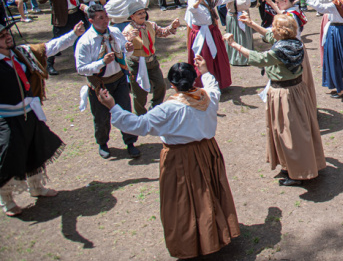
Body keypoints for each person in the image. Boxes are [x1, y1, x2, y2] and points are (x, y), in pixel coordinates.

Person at [95, 58, 240, 258]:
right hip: (207, 151)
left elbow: (138, 125)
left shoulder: (167, 109)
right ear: (194, 80)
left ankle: (193, 243)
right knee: (210, 192)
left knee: (184, 200)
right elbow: (213, 86)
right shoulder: (208, 97)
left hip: (180, 157)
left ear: (172, 85)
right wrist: (205, 71)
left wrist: (113, 107)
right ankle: (217, 232)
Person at [223, 15, 326, 186]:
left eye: (273, 27)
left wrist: (234, 44)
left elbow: (260, 59)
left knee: (289, 133)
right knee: (293, 131)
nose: (271, 29)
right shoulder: (294, 42)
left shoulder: (281, 51)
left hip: (285, 95)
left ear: (280, 31)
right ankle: (294, 165)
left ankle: (298, 173)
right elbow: (269, 36)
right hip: (296, 91)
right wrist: (252, 24)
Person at [0, 18, 85, 217]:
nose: (7, 37)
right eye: (2, 36)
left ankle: (36, 187)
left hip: (30, 113)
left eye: (7, 34)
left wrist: (73, 34)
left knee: (35, 150)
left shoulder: (22, 53)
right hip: (7, 118)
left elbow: (50, 47)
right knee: (7, 156)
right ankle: (7, 199)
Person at [75, 4, 140, 159]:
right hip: (100, 83)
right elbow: (80, 68)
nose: (105, 20)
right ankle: (103, 143)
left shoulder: (115, 32)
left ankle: (130, 142)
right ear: (91, 20)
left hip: (119, 79)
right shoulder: (86, 41)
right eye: (101, 18)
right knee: (101, 116)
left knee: (125, 110)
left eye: (106, 16)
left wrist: (128, 49)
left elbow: (123, 54)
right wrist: (101, 63)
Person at [38, 0, 97, 75]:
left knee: (82, 38)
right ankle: (49, 64)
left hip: (77, 14)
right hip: (63, 17)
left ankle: (82, 63)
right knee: (57, 41)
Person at [122, 2, 180, 116]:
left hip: (151, 61)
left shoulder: (151, 25)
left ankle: (155, 107)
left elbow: (162, 32)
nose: (143, 15)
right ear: (132, 16)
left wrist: (172, 27)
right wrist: (128, 40)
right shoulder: (127, 30)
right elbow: (122, 48)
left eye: (143, 12)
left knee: (161, 85)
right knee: (139, 92)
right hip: (136, 64)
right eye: (139, 13)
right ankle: (141, 114)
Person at [184, 0, 233, 88]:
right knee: (203, 57)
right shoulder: (191, 0)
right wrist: (198, 1)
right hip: (200, 35)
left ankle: (218, 82)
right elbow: (192, 9)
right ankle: (201, 83)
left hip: (212, 31)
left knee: (217, 57)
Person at [222, 0, 268, 66]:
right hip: (235, 18)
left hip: (245, 16)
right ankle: (237, 58)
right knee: (238, 37)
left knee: (246, 37)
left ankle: (247, 56)